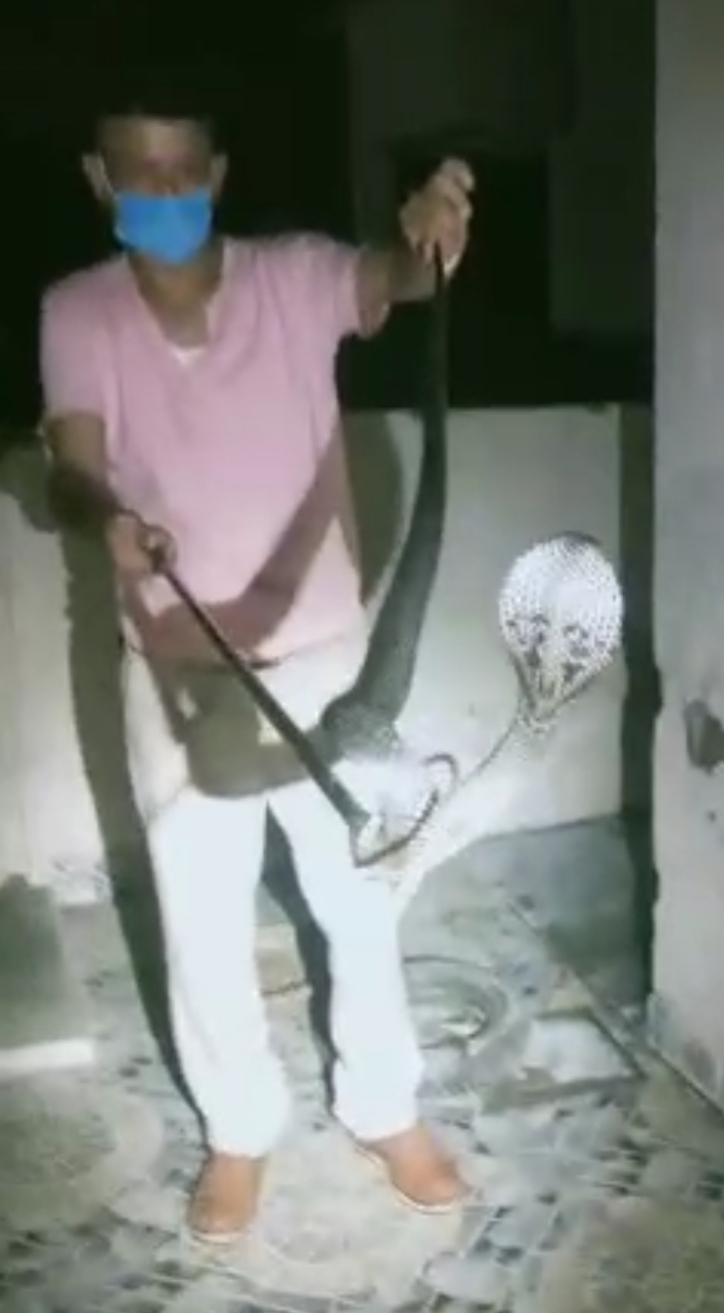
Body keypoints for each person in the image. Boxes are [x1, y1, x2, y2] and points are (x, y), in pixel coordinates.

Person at [40, 81, 474, 1242]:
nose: (166, 191)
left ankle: (386, 1106)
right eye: (140, 172)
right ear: (100, 180)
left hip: (325, 663)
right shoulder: (77, 312)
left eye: (186, 170)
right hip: (176, 672)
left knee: (359, 895)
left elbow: (395, 277)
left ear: (218, 175)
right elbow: (73, 463)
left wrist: (427, 235)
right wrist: (104, 517)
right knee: (200, 911)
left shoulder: (291, 276)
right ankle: (238, 1130)